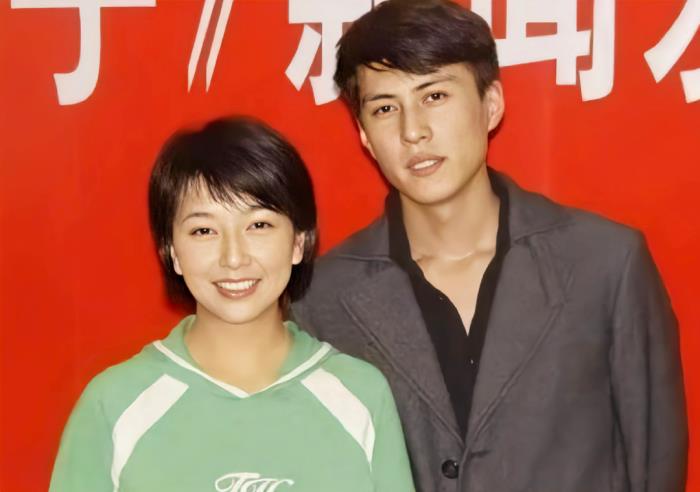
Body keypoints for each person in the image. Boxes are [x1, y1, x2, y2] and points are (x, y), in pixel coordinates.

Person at [292, 1, 688, 491]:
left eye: (435, 95)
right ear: (365, 135)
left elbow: (654, 464)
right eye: (385, 108)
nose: (413, 131)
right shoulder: (322, 300)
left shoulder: (604, 264)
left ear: (491, 104)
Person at [49, 117, 415, 492]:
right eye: (204, 230)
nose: (234, 257)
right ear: (172, 252)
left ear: (299, 242)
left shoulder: (361, 396)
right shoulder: (114, 405)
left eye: (258, 225)